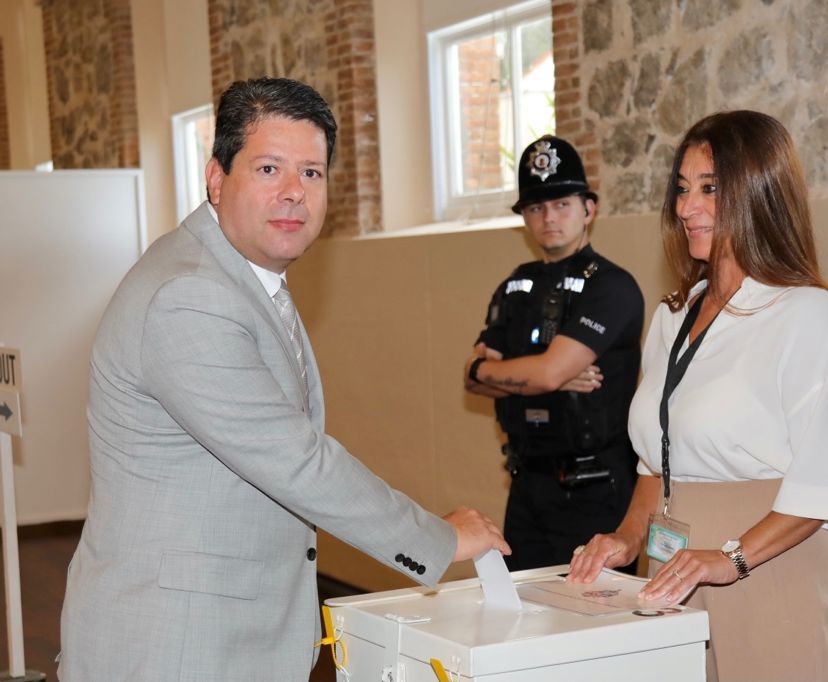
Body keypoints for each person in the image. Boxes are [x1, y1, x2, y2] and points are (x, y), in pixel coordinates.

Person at [58, 77, 508, 681]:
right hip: (177, 644)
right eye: (269, 169)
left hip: (221, 631)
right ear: (216, 178)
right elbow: (295, 460)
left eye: (312, 173)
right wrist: (437, 539)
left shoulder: (239, 274)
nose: (294, 193)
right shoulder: (189, 294)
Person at [566, 111, 828, 682]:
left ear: (761, 193)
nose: (686, 207)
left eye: (710, 188)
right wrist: (625, 538)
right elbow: (657, 461)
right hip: (671, 575)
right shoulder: (672, 316)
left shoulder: (806, 315)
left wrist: (731, 557)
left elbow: (824, 481)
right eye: (682, 189)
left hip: (766, 573)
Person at [464, 135, 644, 571]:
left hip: (597, 491)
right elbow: (471, 377)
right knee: (523, 621)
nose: (549, 218)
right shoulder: (515, 285)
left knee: (596, 627)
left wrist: (505, 372)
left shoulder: (611, 286)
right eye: (536, 208)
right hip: (528, 486)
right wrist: (537, 375)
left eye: (562, 204)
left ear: (589, 208)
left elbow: (541, 374)